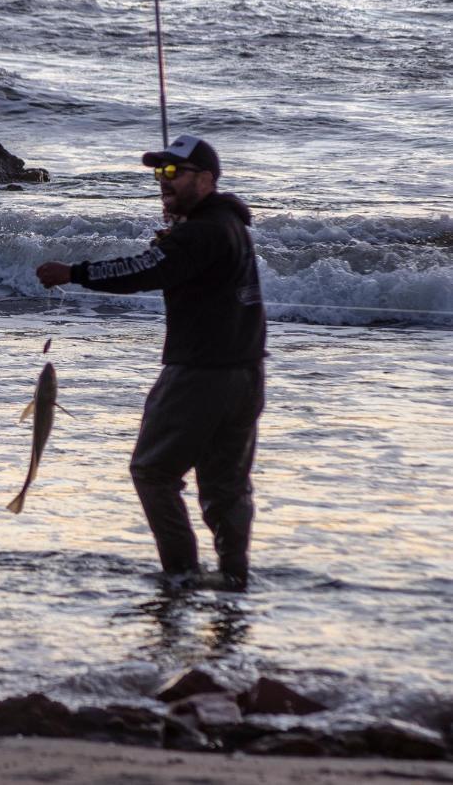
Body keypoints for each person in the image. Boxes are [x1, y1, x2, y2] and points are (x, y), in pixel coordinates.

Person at [37, 134, 266, 590]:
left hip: (200, 373)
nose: (164, 181)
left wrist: (74, 273)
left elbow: (143, 270)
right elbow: (175, 264)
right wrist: (175, 235)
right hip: (245, 373)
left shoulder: (201, 232)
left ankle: (180, 574)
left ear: (206, 179)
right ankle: (234, 578)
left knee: (153, 471)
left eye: (174, 173)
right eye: (159, 173)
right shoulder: (228, 226)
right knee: (225, 487)